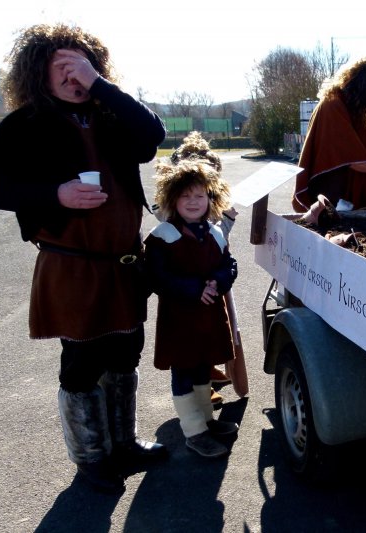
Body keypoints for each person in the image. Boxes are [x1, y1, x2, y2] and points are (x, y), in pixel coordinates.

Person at [0, 23, 167, 492]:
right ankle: (91, 458)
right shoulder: (25, 124)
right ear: (38, 73)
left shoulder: (111, 115)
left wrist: (101, 85)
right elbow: (1, 191)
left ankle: (123, 445)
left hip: (124, 262)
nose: (73, 76)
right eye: (60, 66)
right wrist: (56, 194)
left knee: (126, 353)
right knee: (83, 361)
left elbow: (152, 135)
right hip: (71, 264)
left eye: (80, 66)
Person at [144, 154, 239, 459]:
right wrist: (196, 288)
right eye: (185, 196)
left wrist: (217, 282)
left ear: (211, 198)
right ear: (172, 199)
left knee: (202, 368)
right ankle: (194, 432)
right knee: (184, 372)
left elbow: (229, 265)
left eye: (199, 195)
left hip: (208, 318)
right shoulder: (163, 236)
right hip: (180, 321)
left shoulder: (215, 232)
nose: (193, 201)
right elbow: (158, 277)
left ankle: (207, 421)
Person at [292, 57, 366, 212]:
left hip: (341, 194)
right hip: (331, 194)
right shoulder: (333, 106)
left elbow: (365, 151)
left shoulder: (350, 107)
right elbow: (352, 158)